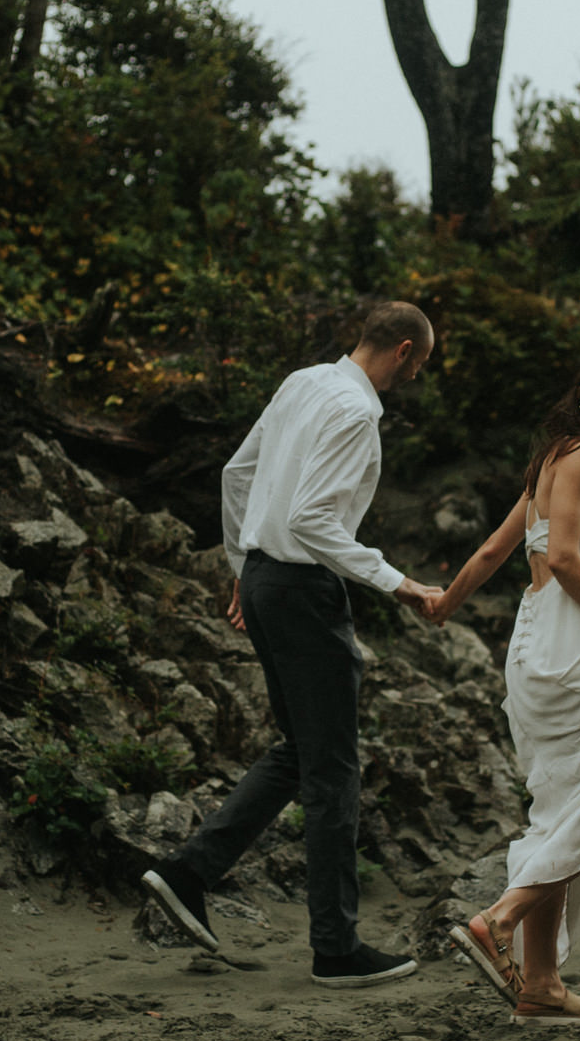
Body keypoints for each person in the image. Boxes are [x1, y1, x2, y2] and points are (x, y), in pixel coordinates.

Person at [142, 302, 444, 987]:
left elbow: (236, 476)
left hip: (264, 578)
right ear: (401, 350)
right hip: (304, 590)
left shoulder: (303, 381)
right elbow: (312, 519)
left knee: (302, 749)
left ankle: (187, 871)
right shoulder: (358, 412)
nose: (412, 377)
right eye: (418, 366)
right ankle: (334, 946)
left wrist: (244, 571)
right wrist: (400, 584)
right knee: (333, 767)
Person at [427, 349, 580, 1025]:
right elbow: (561, 557)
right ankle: (497, 919)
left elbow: (497, 550)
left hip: (532, 647)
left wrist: (444, 604)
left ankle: (541, 983)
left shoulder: (554, 458)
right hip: (573, 642)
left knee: (563, 810)